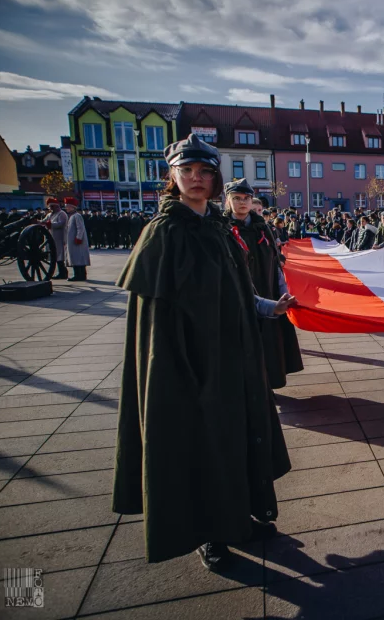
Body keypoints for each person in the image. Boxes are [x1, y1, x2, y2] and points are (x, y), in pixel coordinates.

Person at [112, 134, 294, 569]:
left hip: (233, 360)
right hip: (188, 368)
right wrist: (179, 373)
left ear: (215, 179)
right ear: (173, 176)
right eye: (187, 171)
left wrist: (269, 308)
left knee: (233, 441)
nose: (196, 178)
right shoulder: (163, 233)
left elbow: (239, 291)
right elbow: (156, 325)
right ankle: (208, 533)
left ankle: (238, 518)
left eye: (205, 172)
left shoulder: (218, 227)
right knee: (198, 445)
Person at [224, 178, 304, 390]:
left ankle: (267, 386)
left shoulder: (263, 228)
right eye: (237, 198)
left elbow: (276, 263)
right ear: (228, 200)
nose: (242, 202)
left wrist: (283, 291)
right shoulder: (222, 230)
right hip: (239, 300)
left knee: (269, 345)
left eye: (246, 198)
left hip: (268, 294)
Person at [64, 196, 90, 282]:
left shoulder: (77, 216)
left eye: (67, 206)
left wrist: (78, 238)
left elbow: (80, 228)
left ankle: (79, 275)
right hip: (73, 241)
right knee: (76, 257)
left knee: (78, 258)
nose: (66, 208)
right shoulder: (71, 216)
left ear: (72, 207)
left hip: (77, 241)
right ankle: (80, 275)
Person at [42, 196, 69, 280]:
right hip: (51, 237)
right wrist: (39, 222)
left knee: (59, 255)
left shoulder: (62, 214)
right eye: (50, 207)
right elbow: (44, 221)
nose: (51, 208)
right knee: (55, 255)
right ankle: (62, 272)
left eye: (52, 207)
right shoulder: (49, 215)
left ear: (56, 206)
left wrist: (50, 224)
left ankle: (63, 272)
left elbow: (61, 224)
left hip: (59, 237)